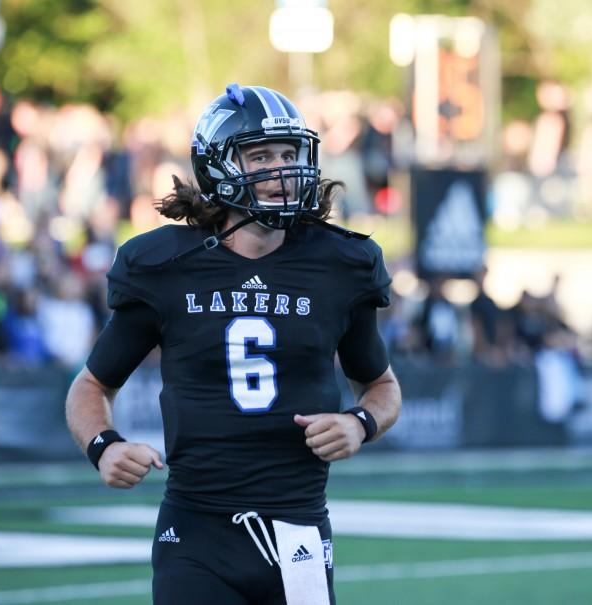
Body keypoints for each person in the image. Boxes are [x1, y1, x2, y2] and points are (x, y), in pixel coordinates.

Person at [65, 83, 402, 605]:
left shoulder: (340, 264)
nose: (282, 169)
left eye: (289, 154)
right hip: (197, 532)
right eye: (260, 155)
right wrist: (103, 445)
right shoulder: (163, 266)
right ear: (219, 167)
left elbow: (381, 386)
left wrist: (359, 423)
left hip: (300, 531)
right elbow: (90, 386)